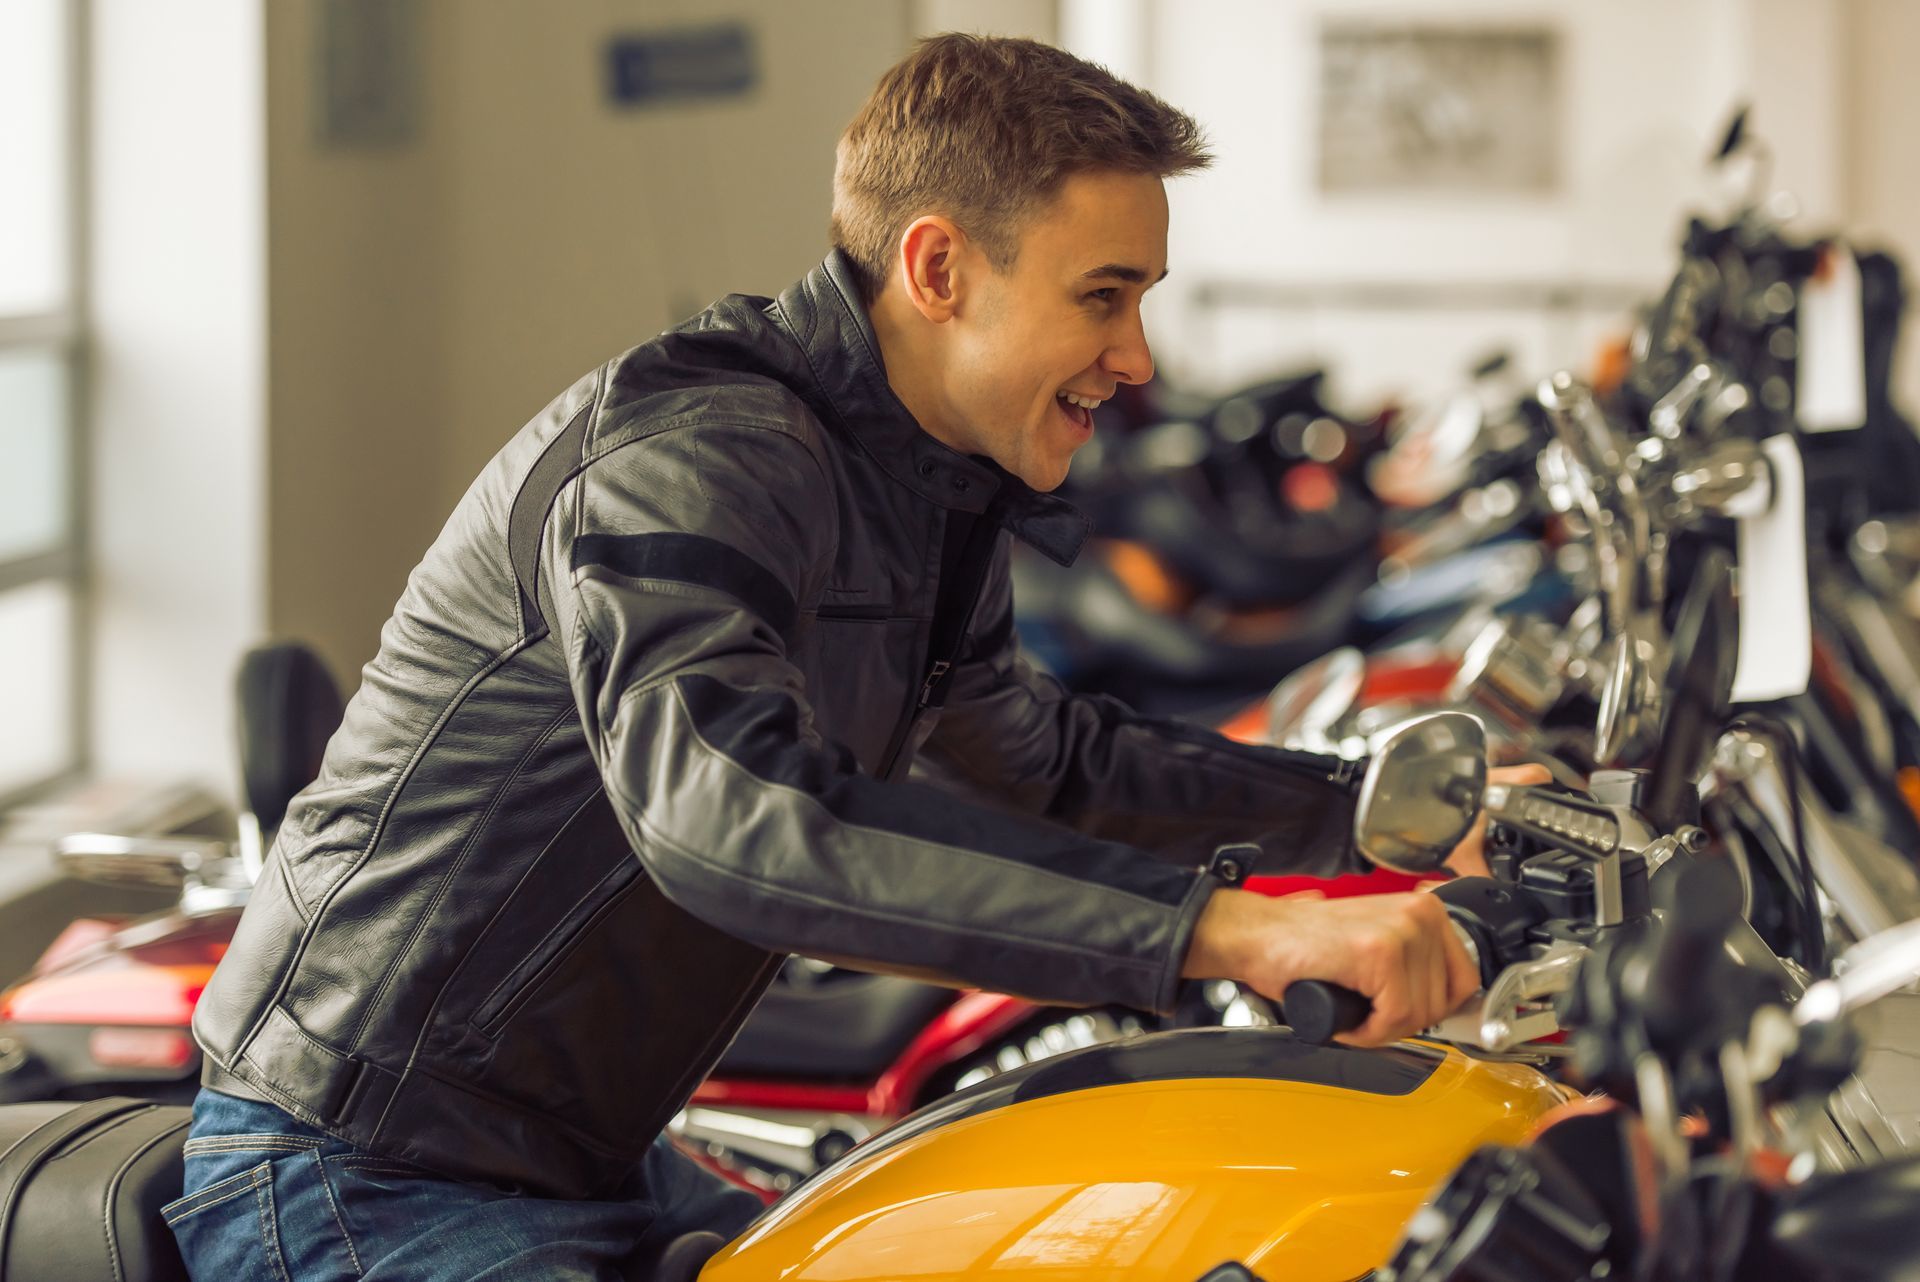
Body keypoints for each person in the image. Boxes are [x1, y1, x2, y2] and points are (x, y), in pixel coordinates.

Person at [164, 32, 1531, 1281]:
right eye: (1104, 296)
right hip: (359, 1169)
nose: (1133, 353)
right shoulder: (696, 462)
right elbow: (737, 818)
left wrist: (1358, 818)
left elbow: (1035, 761)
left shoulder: (918, 490)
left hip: (569, 1152)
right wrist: (1230, 926)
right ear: (939, 270)